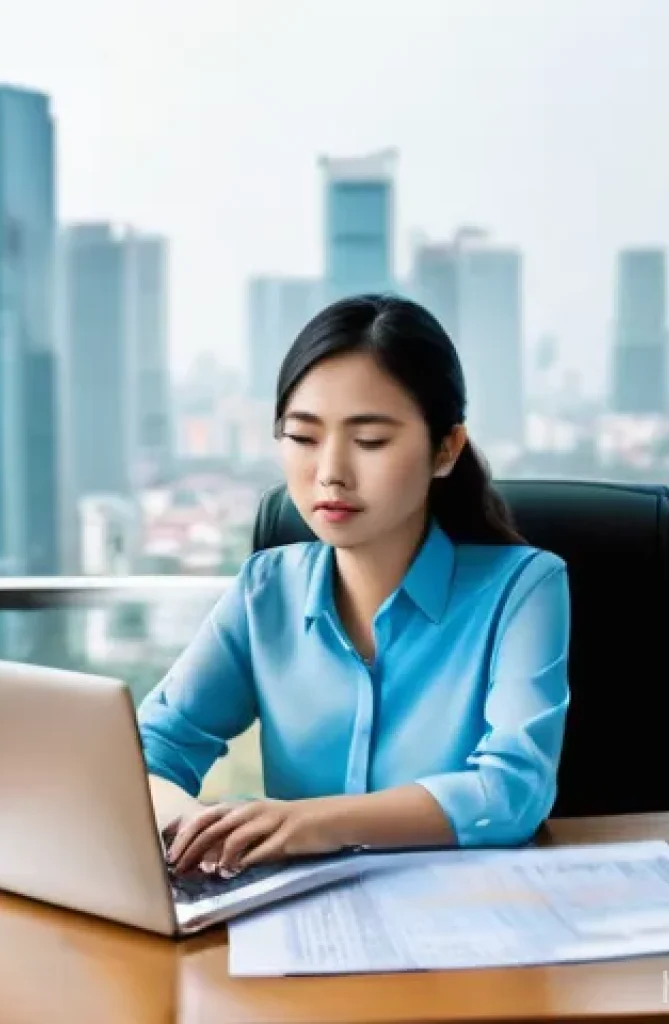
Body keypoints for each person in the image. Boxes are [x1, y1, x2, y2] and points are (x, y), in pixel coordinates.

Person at [138, 293, 570, 879]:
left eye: (369, 441)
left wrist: (310, 824)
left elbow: (512, 791)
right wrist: (189, 826)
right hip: (299, 931)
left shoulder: (523, 587)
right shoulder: (264, 592)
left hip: (472, 929)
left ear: (445, 450)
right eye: (302, 437)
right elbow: (147, 749)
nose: (330, 472)